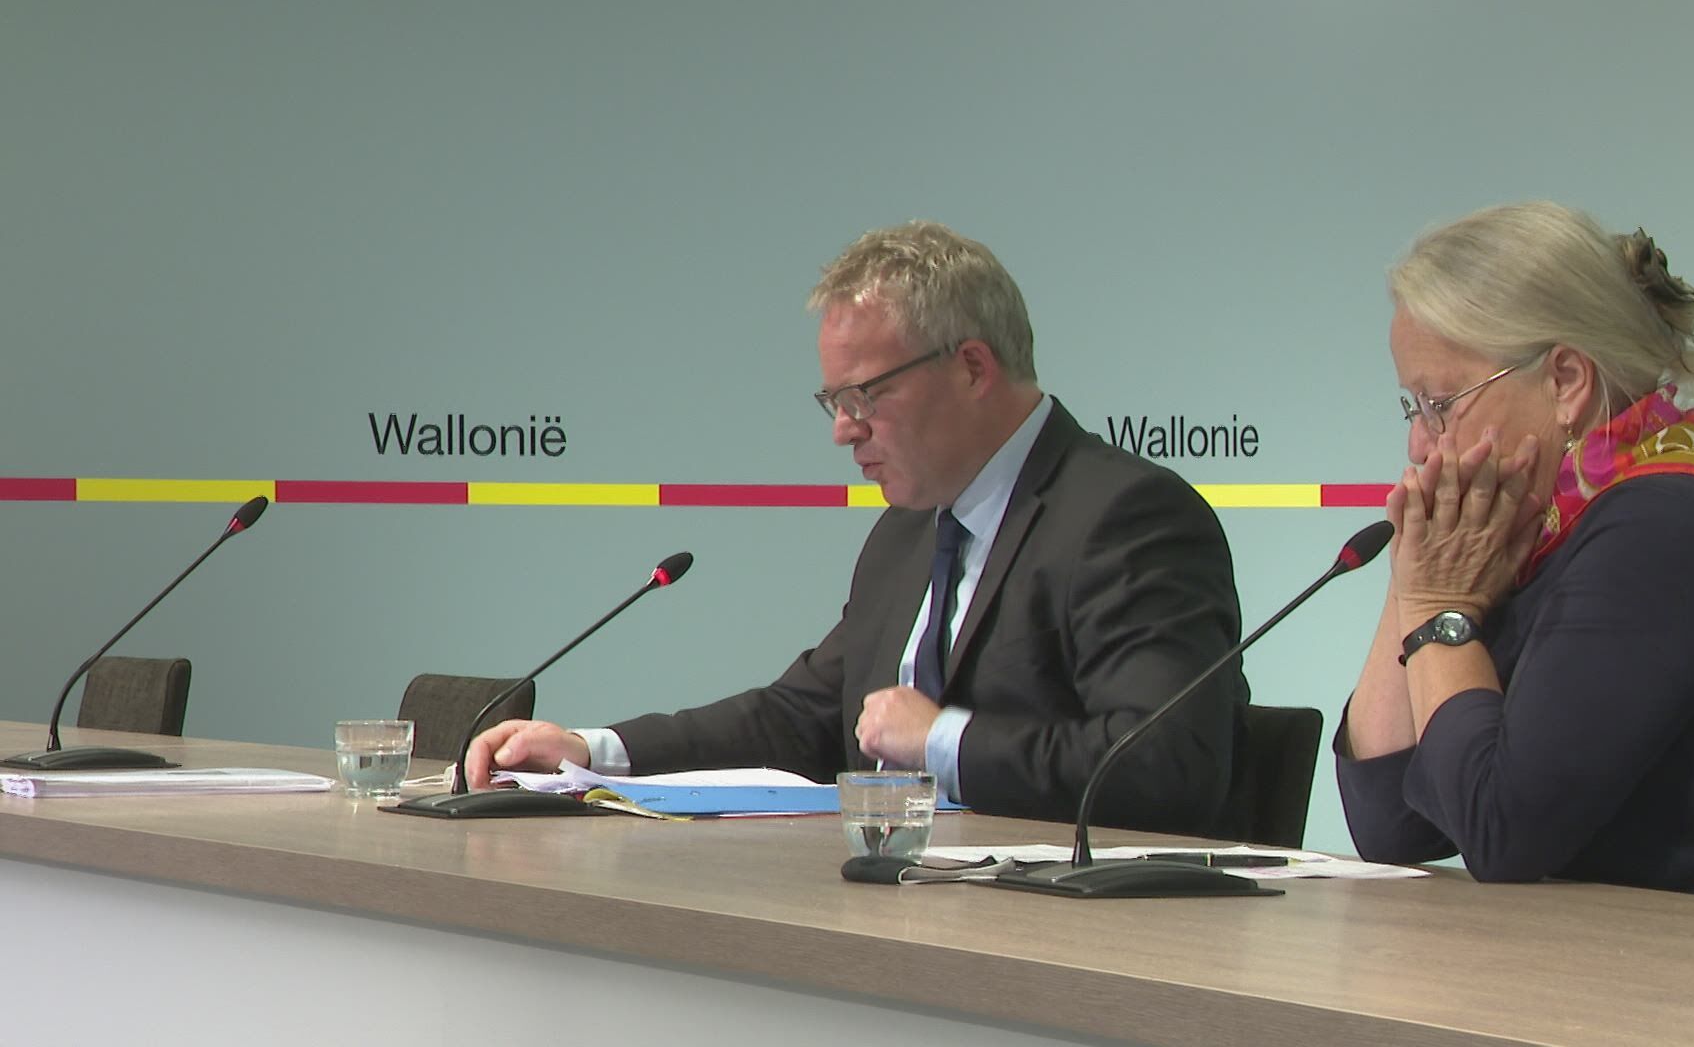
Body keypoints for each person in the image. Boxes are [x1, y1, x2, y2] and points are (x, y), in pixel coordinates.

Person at [467, 221, 1250, 835]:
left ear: (973, 368)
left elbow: (1162, 765)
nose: (845, 430)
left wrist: (941, 740)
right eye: (834, 403)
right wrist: (594, 754)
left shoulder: (1126, 518)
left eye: (864, 396)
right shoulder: (908, 533)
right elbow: (800, 716)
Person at [1337, 201, 1694, 917]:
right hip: (1665, 964)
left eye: (1441, 404)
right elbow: (1390, 822)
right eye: (1411, 407)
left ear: (1566, 382)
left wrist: (1436, 608)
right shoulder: (1539, 536)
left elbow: (1502, 833)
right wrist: (1417, 573)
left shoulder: (1664, 526)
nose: (1419, 444)